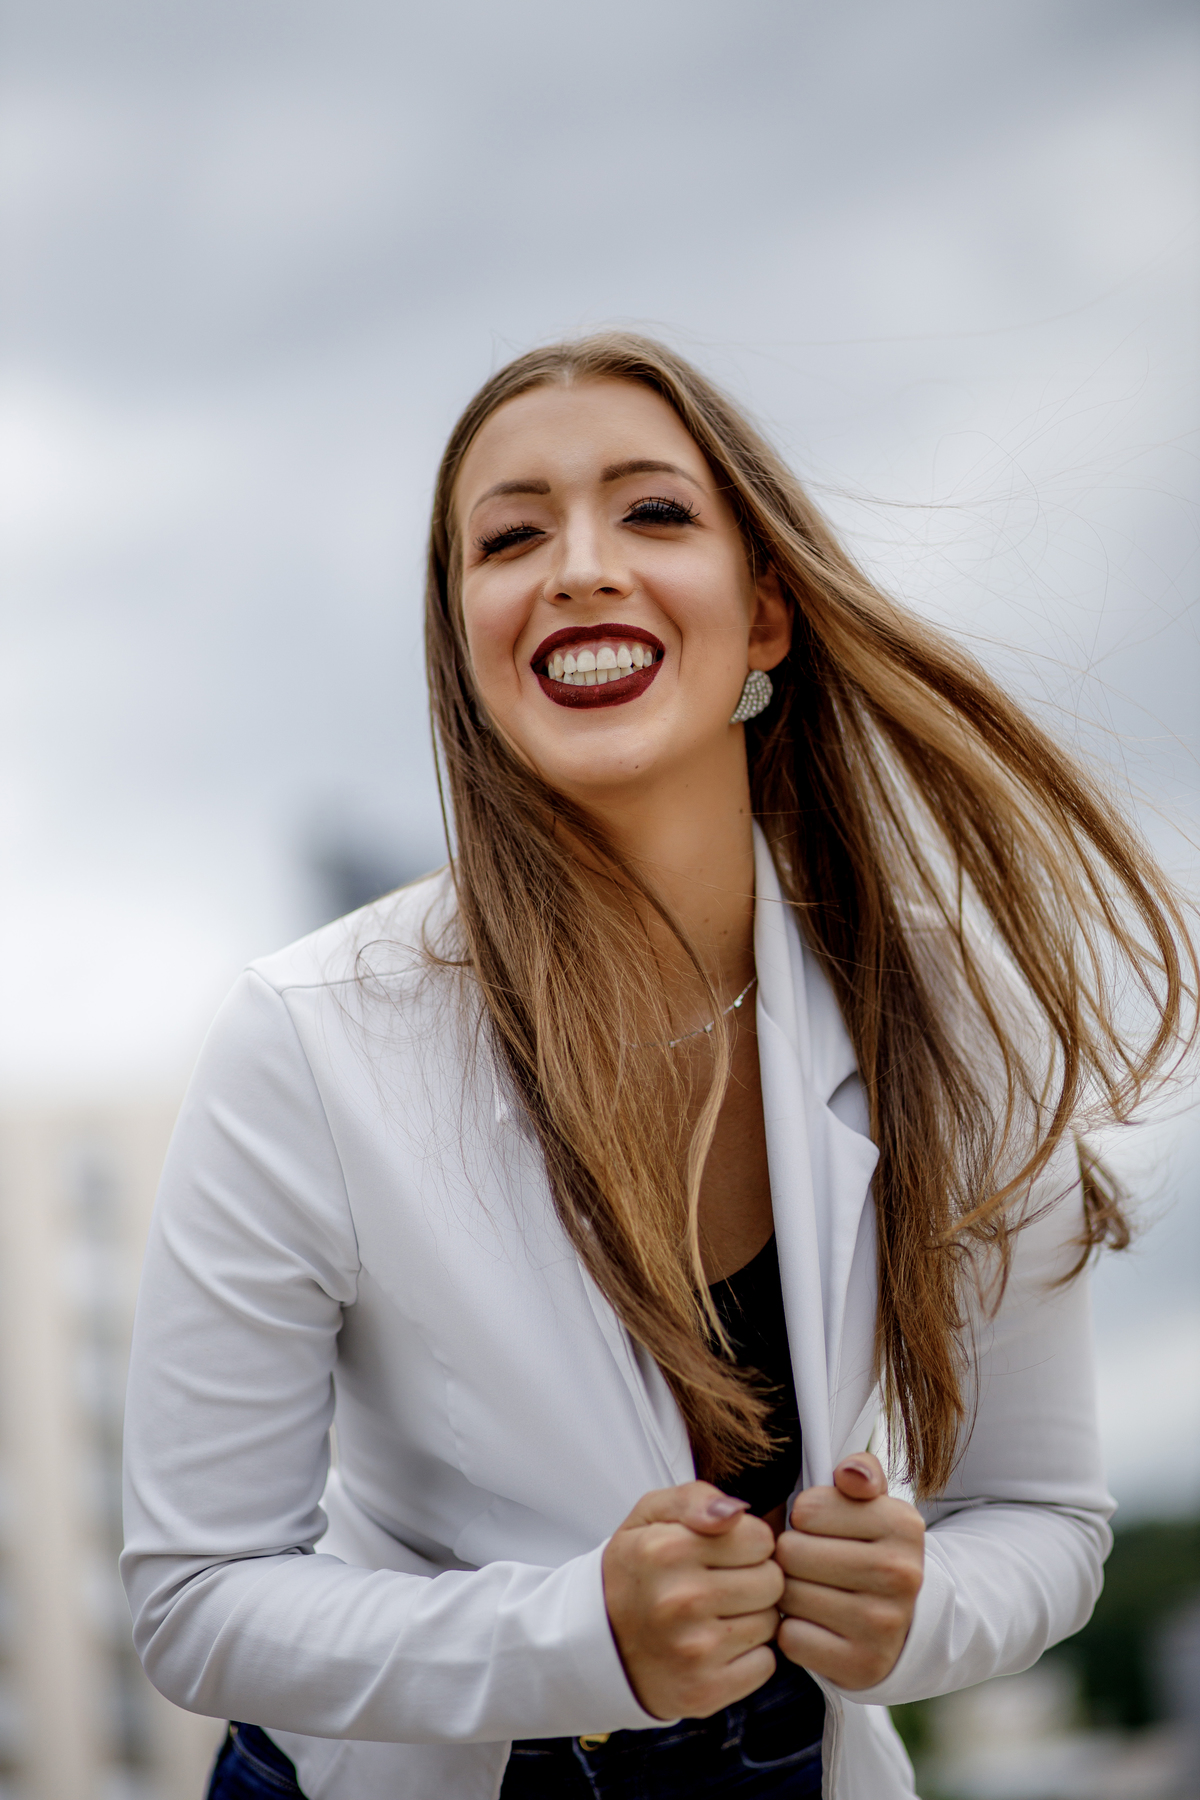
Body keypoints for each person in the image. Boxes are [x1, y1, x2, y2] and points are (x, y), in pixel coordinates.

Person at [121, 333, 1193, 1800]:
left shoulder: (949, 1010)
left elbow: (1045, 1520)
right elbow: (196, 1600)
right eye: (510, 538)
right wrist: (582, 1639)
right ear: (467, 639)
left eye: (654, 512)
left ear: (766, 615)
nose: (578, 569)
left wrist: (917, 1610)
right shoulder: (306, 1038)